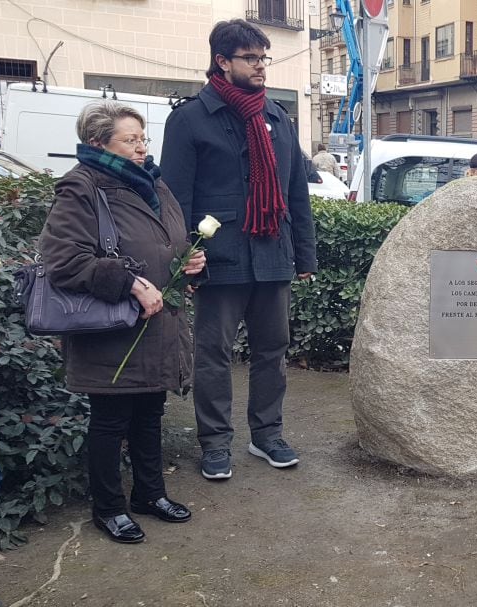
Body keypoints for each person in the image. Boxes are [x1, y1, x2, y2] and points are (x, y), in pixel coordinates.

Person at [38, 101, 204, 544]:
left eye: (142, 138)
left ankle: (150, 494)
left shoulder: (153, 183)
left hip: (157, 324)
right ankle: (108, 508)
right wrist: (130, 282)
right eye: (130, 140)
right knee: (110, 421)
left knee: (150, 414)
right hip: (113, 330)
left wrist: (190, 262)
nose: (141, 148)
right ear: (97, 143)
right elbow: (63, 260)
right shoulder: (81, 187)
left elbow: (171, 241)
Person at [161, 19, 317, 480]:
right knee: (214, 354)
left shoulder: (277, 118)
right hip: (218, 258)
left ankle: (266, 434)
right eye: (251, 58)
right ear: (222, 61)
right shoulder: (190, 119)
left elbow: (295, 193)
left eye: (263, 57)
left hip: (272, 252)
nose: (261, 66)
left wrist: (304, 256)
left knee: (273, 349)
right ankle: (215, 442)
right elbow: (174, 199)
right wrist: (182, 260)